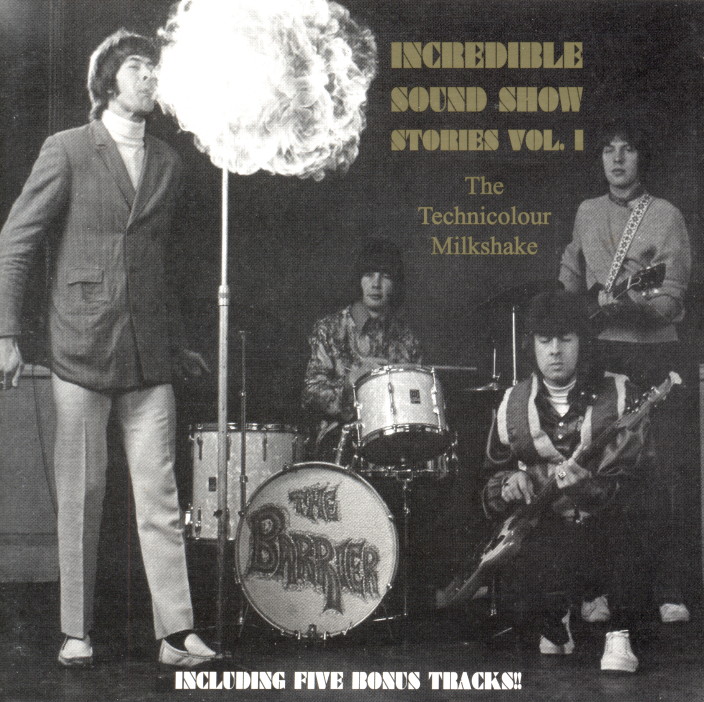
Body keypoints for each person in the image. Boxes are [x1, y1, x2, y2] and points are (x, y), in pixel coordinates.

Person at [0, 29, 216, 667]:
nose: (150, 77)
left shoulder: (169, 162)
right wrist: (5, 334)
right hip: (80, 347)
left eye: (154, 68)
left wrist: (177, 342)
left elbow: (159, 265)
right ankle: (75, 631)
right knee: (82, 495)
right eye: (137, 67)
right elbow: (15, 242)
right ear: (108, 80)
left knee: (162, 498)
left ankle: (176, 634)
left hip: (149, 356)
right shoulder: (67, 148)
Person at [559, 120, 692, 623]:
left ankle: (666, 589)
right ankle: (596, 589)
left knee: (657, 470)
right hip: (601, 355)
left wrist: (633, 304)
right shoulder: (586, 212)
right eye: (608, 150)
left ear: (641, 157)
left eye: (628, 149)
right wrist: (573, 305)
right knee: (596, 468)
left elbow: (671, 300)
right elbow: (571, 284)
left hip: (653, 355)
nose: (617, 159)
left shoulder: (666, 215)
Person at [482, 290, 649, 672]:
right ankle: (555, 617)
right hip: (547, 531)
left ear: (582, 342)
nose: (555, 350)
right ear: (532, 345)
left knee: (632, 518)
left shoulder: (619, 394)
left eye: (565, 339)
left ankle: (619, 633)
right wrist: (509, 482)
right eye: (545, 340)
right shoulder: (513, 403)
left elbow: (639, 479)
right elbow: (488, 479)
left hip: (605, 529)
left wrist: (588, 488)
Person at [301, 237, 422, 461]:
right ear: (359, 280)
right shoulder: (329, 329)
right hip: (339, 447)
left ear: (395, 284)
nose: (376, 284)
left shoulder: (407, 339)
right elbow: (310, 395)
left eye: (385, 276)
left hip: (394, 447)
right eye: (369, 274)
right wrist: (351, 381)